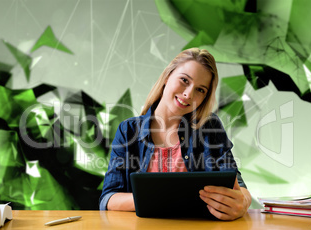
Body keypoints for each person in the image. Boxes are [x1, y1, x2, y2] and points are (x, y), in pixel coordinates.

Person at [99, 48, 251, 220]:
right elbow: (108, 199)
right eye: (184, 80)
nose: (188, 94)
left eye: (200, 90)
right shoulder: (128, 130)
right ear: (167, 77)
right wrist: (163, 198)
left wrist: (244, 202)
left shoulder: (209, 127)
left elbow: (239, 185)